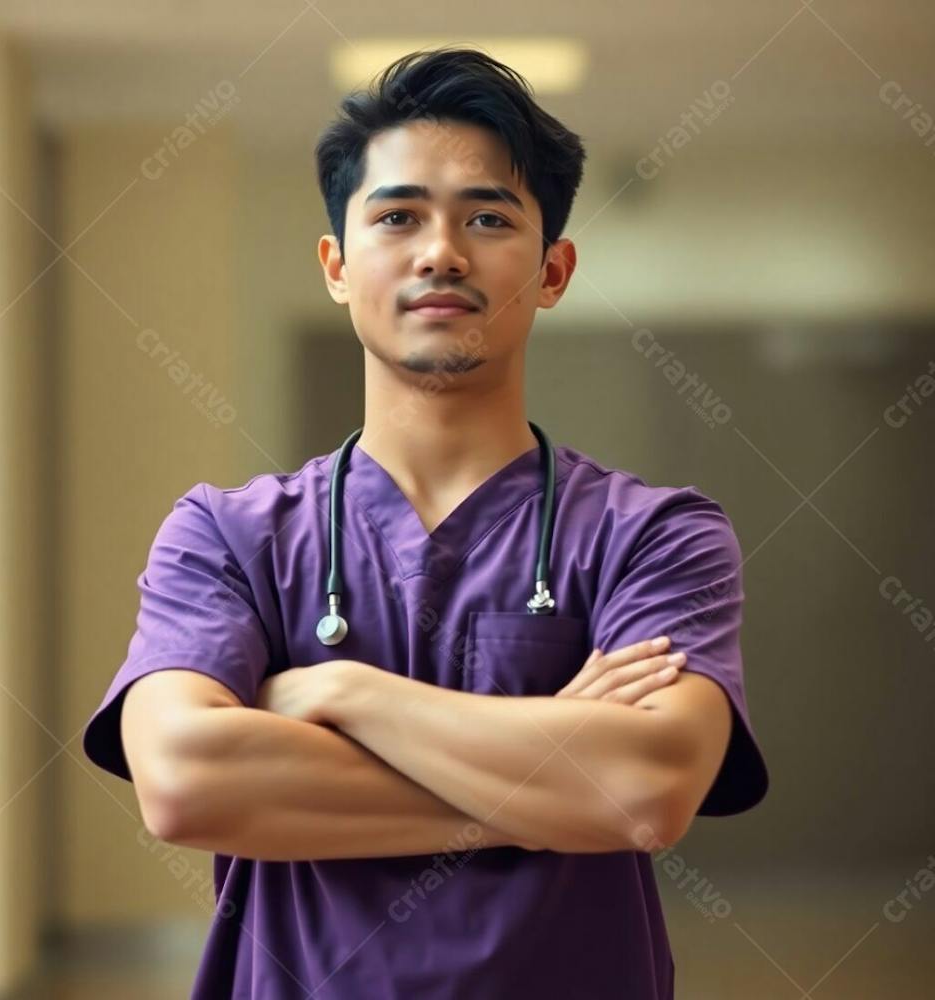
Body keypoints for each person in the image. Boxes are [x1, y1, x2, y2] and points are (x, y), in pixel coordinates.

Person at [83, 45, 769, 1000]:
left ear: (554, 268)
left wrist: (342, 693)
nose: (441, 250)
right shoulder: (227, 536)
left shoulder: (655, 536)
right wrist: (555, 780)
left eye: (488, 217)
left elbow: (647, 790)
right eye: (398, 216)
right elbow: (186, 782)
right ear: (336, 264)